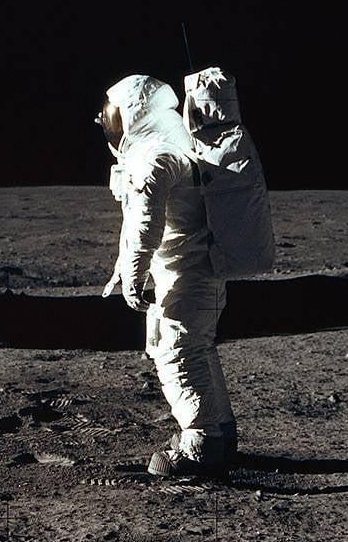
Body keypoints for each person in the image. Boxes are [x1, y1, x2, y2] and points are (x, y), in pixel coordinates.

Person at [97, 74, 236, 477]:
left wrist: (133, 275)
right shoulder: (176, 142)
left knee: (177, 353)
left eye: (116, 118)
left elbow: (145, 222)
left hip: (186, 273)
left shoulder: (156, 155)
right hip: (195, 270)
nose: (112, 127)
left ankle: (200, 444)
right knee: (197, 348)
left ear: (134, 115)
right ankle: (221, 432)